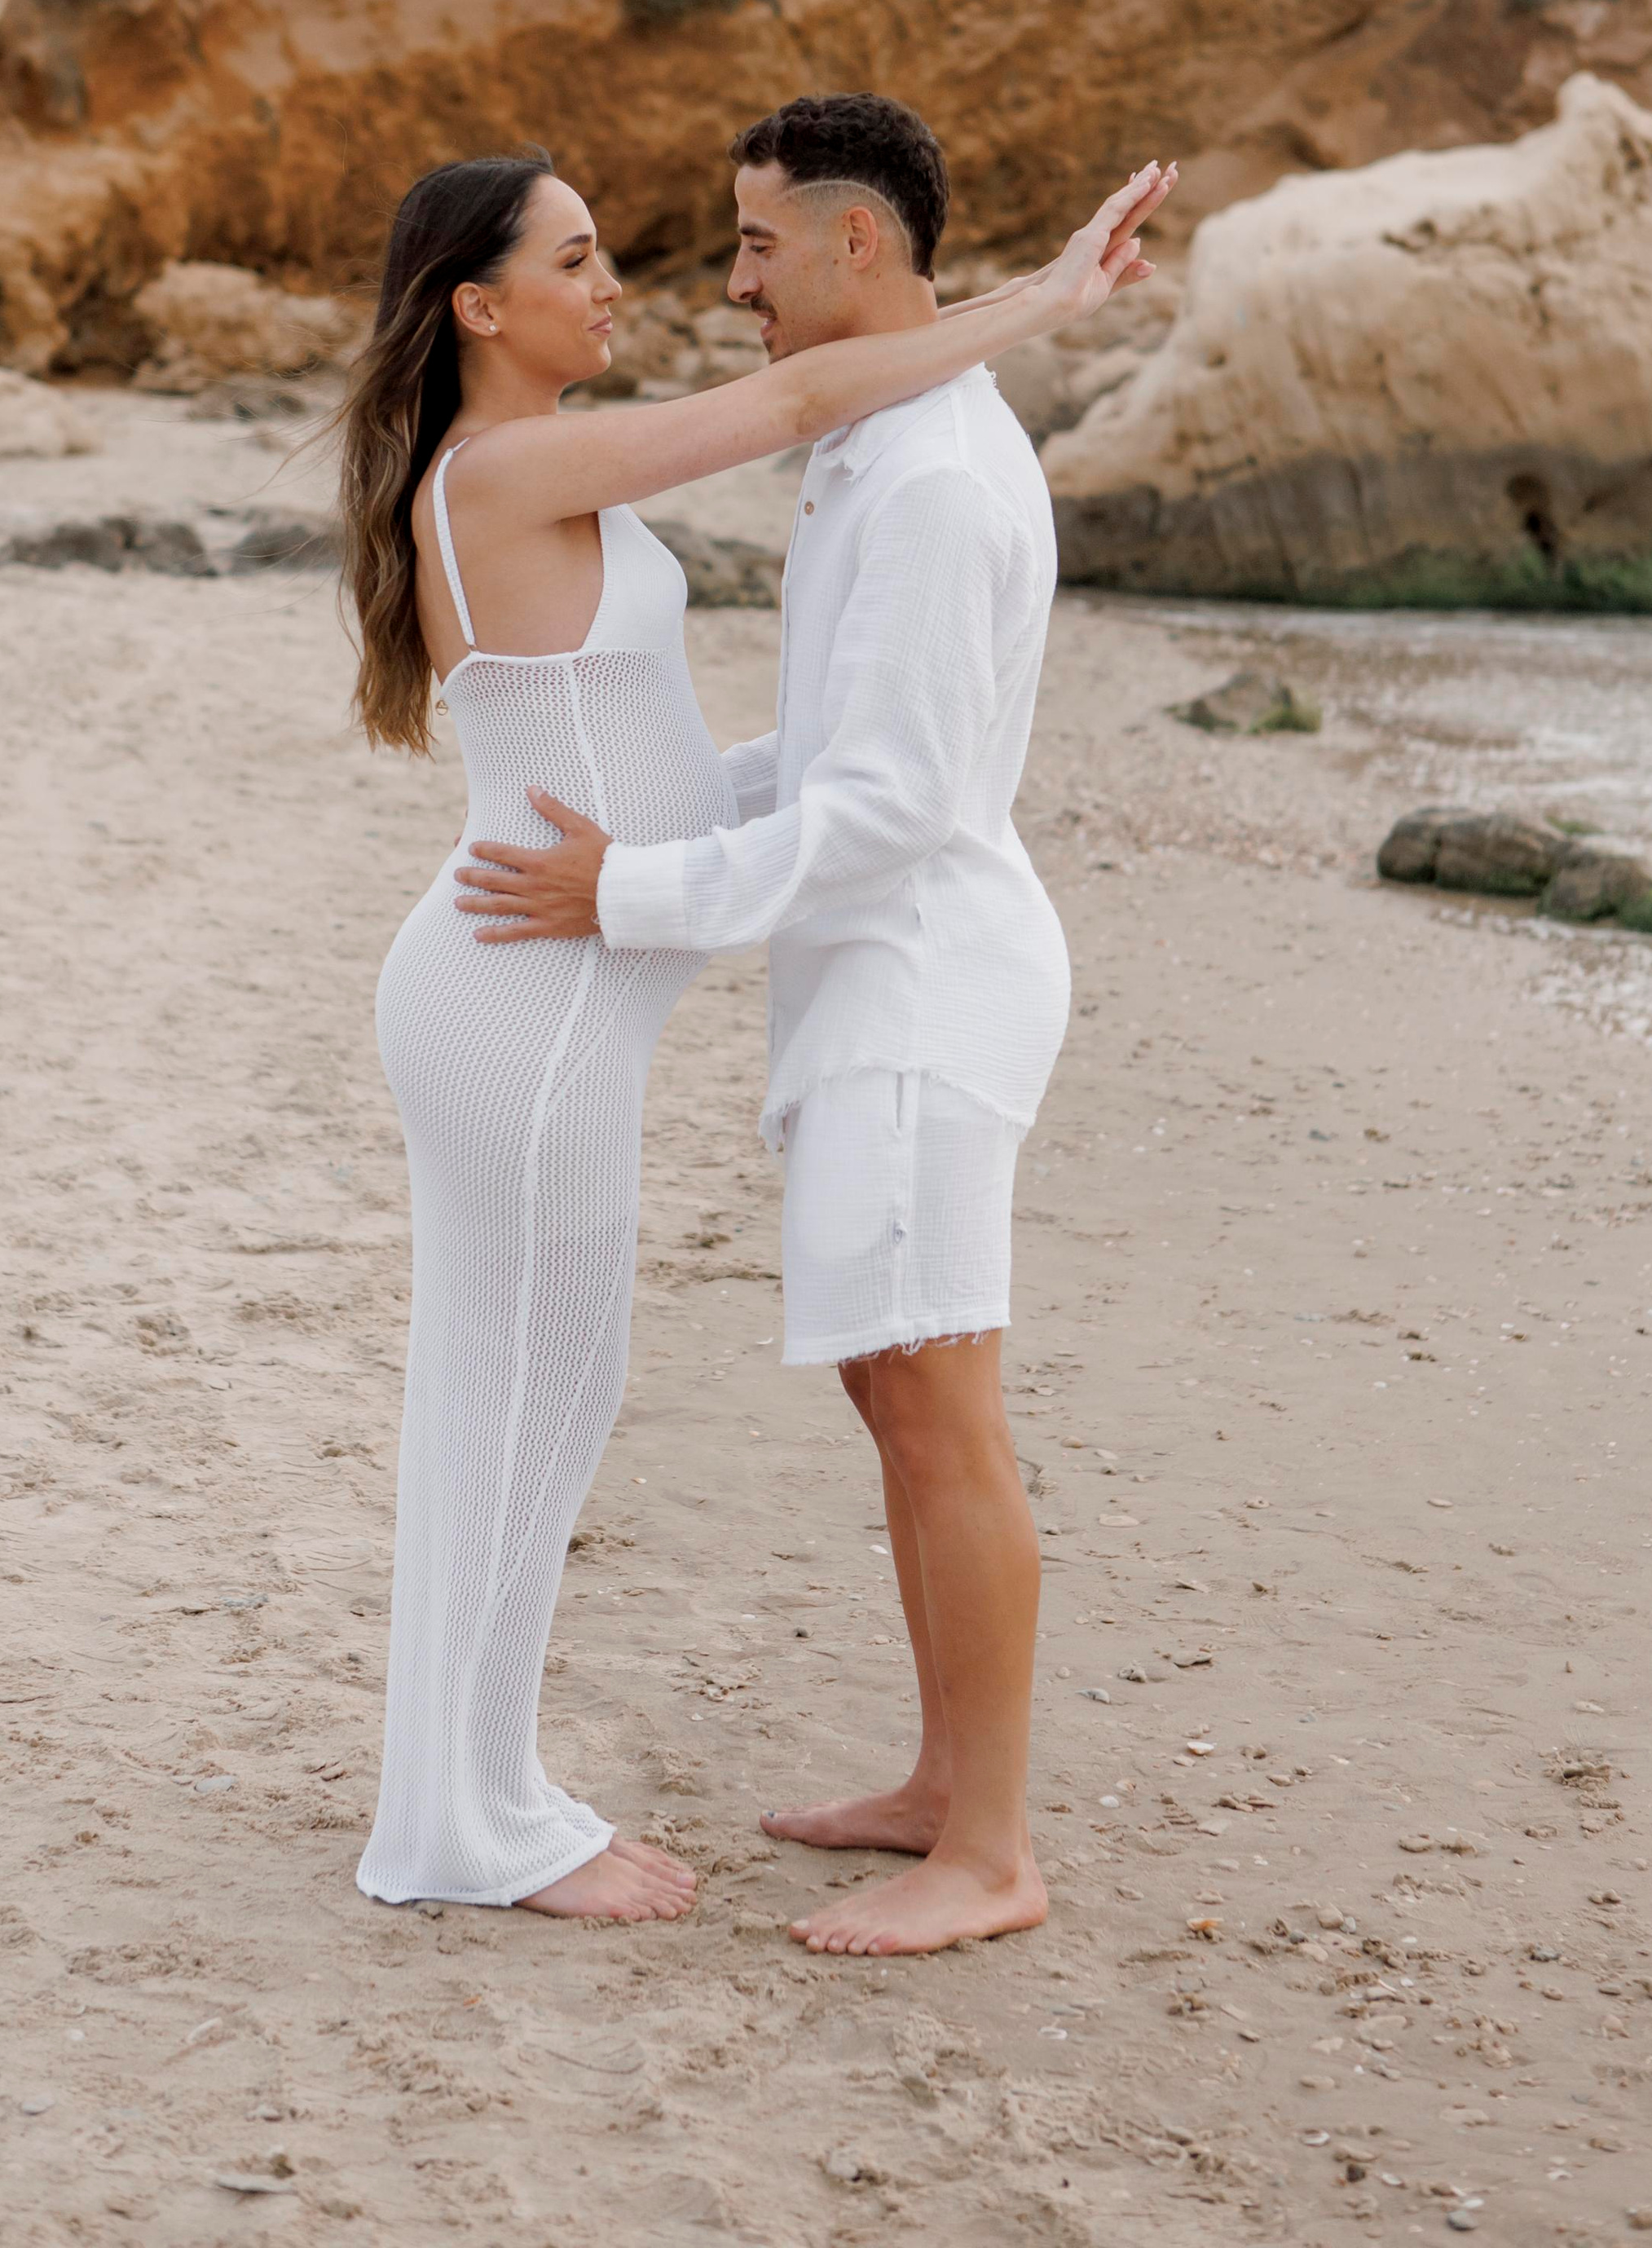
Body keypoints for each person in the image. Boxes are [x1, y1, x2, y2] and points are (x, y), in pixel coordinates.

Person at [339, 127, 1171, 1930]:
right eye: (572, 262)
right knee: (521, 1412)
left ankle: (471, 1798)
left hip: (545, 980)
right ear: (477, 306)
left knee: (523, 1409)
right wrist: (1040, 298)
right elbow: (797, 406)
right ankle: (473, 1823)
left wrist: (661, 849)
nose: (625, 281)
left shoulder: (539, 470)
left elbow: (655, 759)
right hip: (521, 994)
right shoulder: (514, 466)